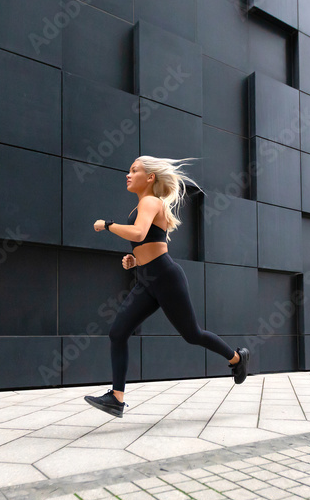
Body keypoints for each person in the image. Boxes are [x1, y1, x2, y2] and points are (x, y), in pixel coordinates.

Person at [84, 156, 250, 418]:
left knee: (192, 334)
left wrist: (107, 225)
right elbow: (147, 241)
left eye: (134, 170)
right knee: (118, 333)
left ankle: (238, 358)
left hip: (165, 276)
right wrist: (135, 260)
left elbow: (139, 233)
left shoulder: (150, 201)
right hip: (147, 279)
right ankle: (116, 398)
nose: (128, 174)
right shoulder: (142, 205)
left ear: (150, 177)